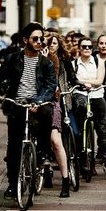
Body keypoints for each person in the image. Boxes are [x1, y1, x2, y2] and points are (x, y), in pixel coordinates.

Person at [0, 22, 57, 199]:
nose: (40, 42)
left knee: (48, 112)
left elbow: (50, 86)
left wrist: (39, 100)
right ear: (26, 40)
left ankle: (42, 152)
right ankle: (12, 185)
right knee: (13, 148)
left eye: (42, 39)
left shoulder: (46, 63)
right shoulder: (14, 59)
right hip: (17, 104)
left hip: (38, 103)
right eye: (35, 39)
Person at [43, 32, 78, 197]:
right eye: (48, 43)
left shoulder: (62, 61)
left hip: (58, 100)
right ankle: (44, 166)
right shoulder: (38, 59)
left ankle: (66, 179)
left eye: (54, 43)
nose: (51, 46)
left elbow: (70, 78)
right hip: (38, 103)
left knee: (58, 140)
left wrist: (76, 85)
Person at [73, 36, 106, 168]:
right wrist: (86, 83)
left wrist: (82, 82)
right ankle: (81, 157)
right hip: (80, 95)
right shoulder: (74, 64)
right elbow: (72, 81)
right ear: (79, 48)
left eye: (90, 47)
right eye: (84, 47)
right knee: (79, 128)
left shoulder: (98, 61)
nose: (87, 49)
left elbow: (99, 80)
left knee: (102, 130)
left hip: (96, 95)